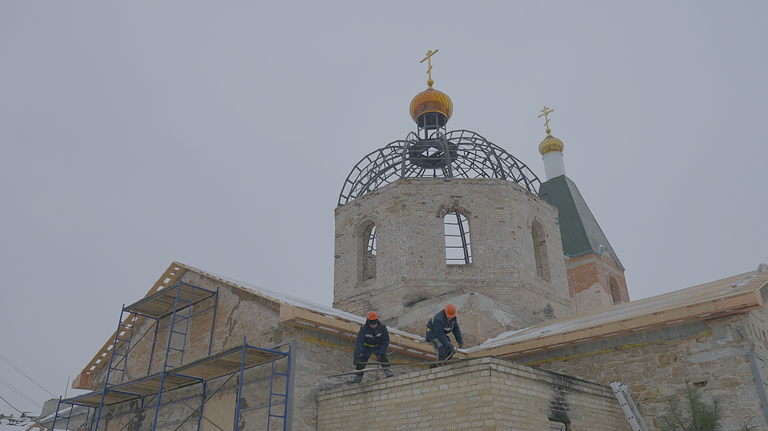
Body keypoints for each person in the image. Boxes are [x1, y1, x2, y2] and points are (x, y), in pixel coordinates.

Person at [351, 311, 395, 383]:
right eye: (372, 324)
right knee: (361, 362)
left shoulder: (382, 327)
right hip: (366, 347)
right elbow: (359, 343)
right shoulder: (363, 329)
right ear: (368, 322)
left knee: (384, 359)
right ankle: (357, 379)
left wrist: (381, 353)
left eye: (375, 323)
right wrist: (356, 357)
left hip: (378, 347)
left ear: (377, 321)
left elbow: (385, 340)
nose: (373, 325)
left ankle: (390, 374)